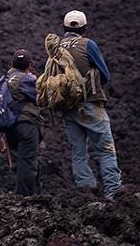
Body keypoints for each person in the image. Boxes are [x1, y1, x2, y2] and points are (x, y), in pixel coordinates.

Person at [60, 10, 122, 199]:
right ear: (85, 28)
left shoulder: (56, 48)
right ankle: (113, 192)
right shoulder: (88, 44)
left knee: (78, 153)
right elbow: (105, 75)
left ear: (64, 28)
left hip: (68, 108)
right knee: (105, 149)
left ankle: (86, 192)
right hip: (90, 104)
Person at [4, 49, 43, 196]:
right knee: (28, 163)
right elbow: (42, 98)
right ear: (30, 65)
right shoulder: (26, 79)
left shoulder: (5, 79)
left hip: (9, 128)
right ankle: (25, 199)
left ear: (12, 64)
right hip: (26, 125)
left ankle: (34, 195)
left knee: (23, 162)